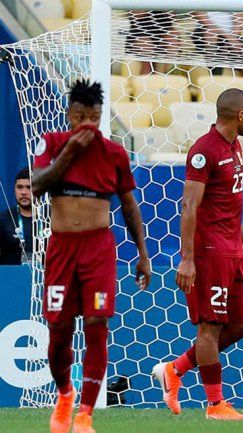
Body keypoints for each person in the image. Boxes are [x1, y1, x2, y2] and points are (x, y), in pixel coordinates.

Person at [31, 79, 151, 433]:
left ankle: (85, 414)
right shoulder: (52, 143)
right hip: (62, 249)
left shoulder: (114, 153)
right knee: (59, 331)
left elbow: (129, 206)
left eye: (95, 118)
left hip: (98, 249)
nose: (89, 125)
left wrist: (143, 254)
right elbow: (37, 185)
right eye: (82, 117)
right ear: (70, 114)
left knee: (98, 326)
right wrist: (68, 154)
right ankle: (65, 394)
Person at [152, 89, 243, 421]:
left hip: (232, 250)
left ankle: (175, 369)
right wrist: (187, 258)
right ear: (239, 115)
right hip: (209, 252)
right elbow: (189, 206)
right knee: (209, 327)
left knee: (239, 325)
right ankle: (215, 405)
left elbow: (229, 202)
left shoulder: (234, 146)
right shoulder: (204, 151)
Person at [192, 12, 243, 81]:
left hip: (233, 34)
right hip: (206, 32)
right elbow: (203, 19)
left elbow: (239, 19)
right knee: (211, 37)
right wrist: (229, 38)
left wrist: (232, 38)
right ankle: (215, 82)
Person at [126, 10, 180, 75]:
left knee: (173, 38)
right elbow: (136, 14)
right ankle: (146, 78)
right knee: (145, 44)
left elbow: (171, 15)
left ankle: (164, 75)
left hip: (163, 30)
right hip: (140, 31)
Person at [0, 169, 33, 264]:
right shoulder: (3, 219)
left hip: (42, 277)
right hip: (11, 277)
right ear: (14, 189)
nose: (24, 192)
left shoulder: (49, 219)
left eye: (29, 187)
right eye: (19, 187)